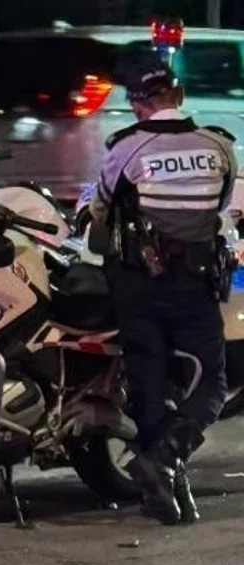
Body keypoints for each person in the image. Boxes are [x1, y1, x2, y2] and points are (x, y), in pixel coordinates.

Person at [88, 52, 239, 525]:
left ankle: (162, 476)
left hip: (136, 287)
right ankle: (167, 471)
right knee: (209, 386)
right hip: (194, 285)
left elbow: (98, 210)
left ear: (137, 104)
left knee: (149, 386)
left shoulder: (126, 149)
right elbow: (224, 210)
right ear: (179, 95)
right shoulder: (219, 147)